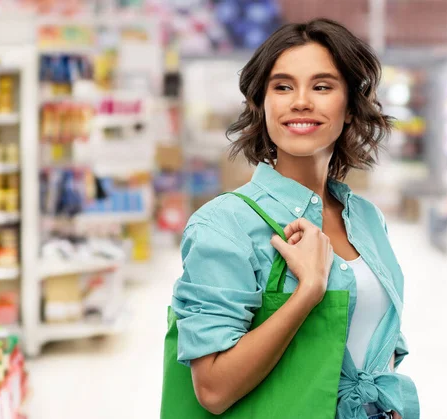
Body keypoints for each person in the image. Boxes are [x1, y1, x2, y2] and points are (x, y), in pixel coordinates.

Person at [172, 18, 419, 419]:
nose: (300, 101)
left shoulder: (367, 218)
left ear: (351, 109)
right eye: (282, 86)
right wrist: (308, 292)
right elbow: (213, 390)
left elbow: (379, 339)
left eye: (322, 86)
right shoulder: (225, 224)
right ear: (261, 105)